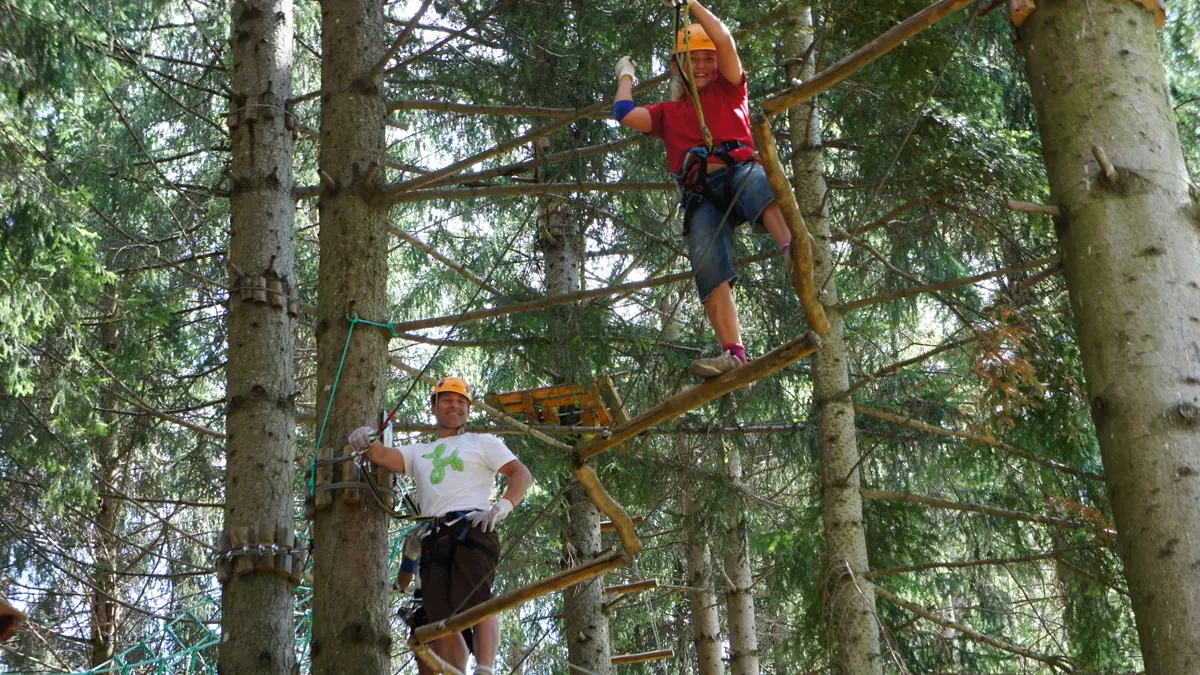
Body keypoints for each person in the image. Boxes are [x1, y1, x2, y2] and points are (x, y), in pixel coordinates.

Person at [612, 0, 795, 378]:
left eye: (706, 59)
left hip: (738, 169)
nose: (701, 66)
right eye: (691, 59)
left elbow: (725, 40)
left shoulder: (729, 89)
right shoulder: (667, 112)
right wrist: (626, 75)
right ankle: (734, 354)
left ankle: (793, 248)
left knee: (756, 182)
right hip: (701, 194)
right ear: (678, 65)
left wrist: (692, 4)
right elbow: (624, 114)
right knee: (706, 260)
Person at [350, 377, 532, 675]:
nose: (455, 406)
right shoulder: (418, 451)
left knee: (476, 599)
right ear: (433, 406)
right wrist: (364, 435)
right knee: (439, 618)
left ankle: (485, 669)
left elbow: (520, 474)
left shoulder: (483, 443)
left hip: (472, 526)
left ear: (468, 410)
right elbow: (380, 454)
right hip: (433, 537)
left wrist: (501, 507)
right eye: (447, 400)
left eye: (461, 402)